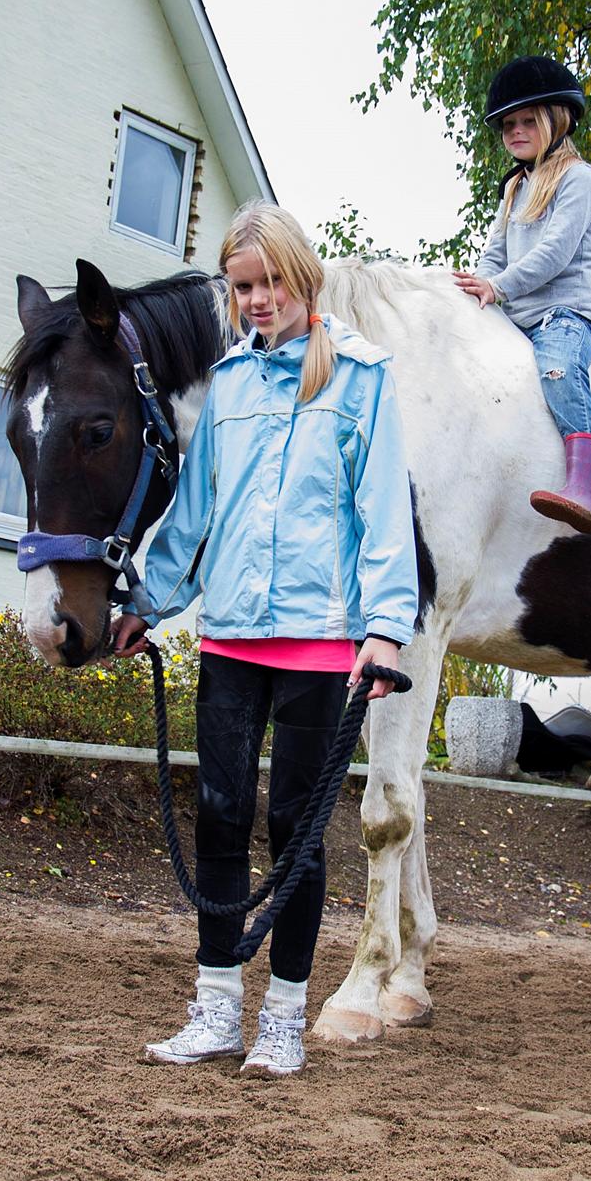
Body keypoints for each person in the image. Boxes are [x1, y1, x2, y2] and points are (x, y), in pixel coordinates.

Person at [112, 200, 418, 1077]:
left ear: (302, 277)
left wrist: (386, 629)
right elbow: (194, 515)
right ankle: (216, 1009)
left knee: (295, 829)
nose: (256, 299)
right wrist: (149, 600)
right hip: (233, 636)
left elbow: (383, 512)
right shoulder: (232, 387)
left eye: (270, 281)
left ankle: (283, 1016)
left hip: (324, 643)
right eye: (243, 286)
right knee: (218, 813)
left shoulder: (361, 378)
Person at [453, 56, 591, 534]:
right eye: (508, 125)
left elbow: (555, 253)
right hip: (520, 316)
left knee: (560, 373)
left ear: (556, 120)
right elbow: (494, 254)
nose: (516, 131)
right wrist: (476, 291)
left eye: (528, 120)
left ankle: (588, 488)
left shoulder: (579, 180)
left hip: (564, 315)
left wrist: (498, 287)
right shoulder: (516, 188)